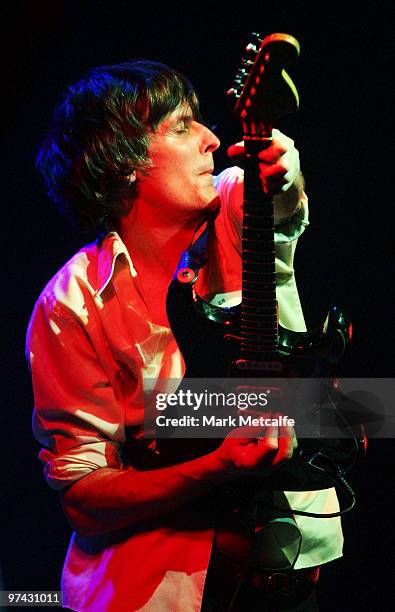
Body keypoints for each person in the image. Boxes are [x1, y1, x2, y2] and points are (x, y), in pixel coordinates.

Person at [26, 60, 343, 611]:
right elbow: (82, 497)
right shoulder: (68, 306)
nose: (211, 139)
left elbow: (277, 198)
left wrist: (284, 171)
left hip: (287, 583)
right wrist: (216, 460)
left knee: (361, 407)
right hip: (153, 593)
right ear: (120, 162)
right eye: (181, 127)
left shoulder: (236, 205)